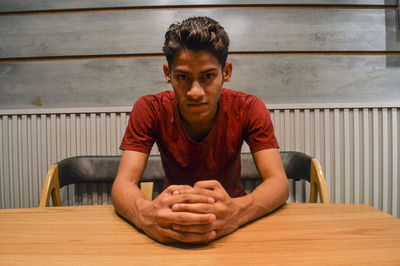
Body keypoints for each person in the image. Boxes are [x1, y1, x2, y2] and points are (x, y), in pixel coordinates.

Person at [111, 16, 289, 244]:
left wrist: (237, 212)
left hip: (233, 220)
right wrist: (144, 214)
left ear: (226, 72)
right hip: (172, 217)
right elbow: (123, 183)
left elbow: (279, 183)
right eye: (183, 77)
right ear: (168, 73)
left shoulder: (248, 108)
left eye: (208, 76)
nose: (195, 91)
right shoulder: (149, 109)